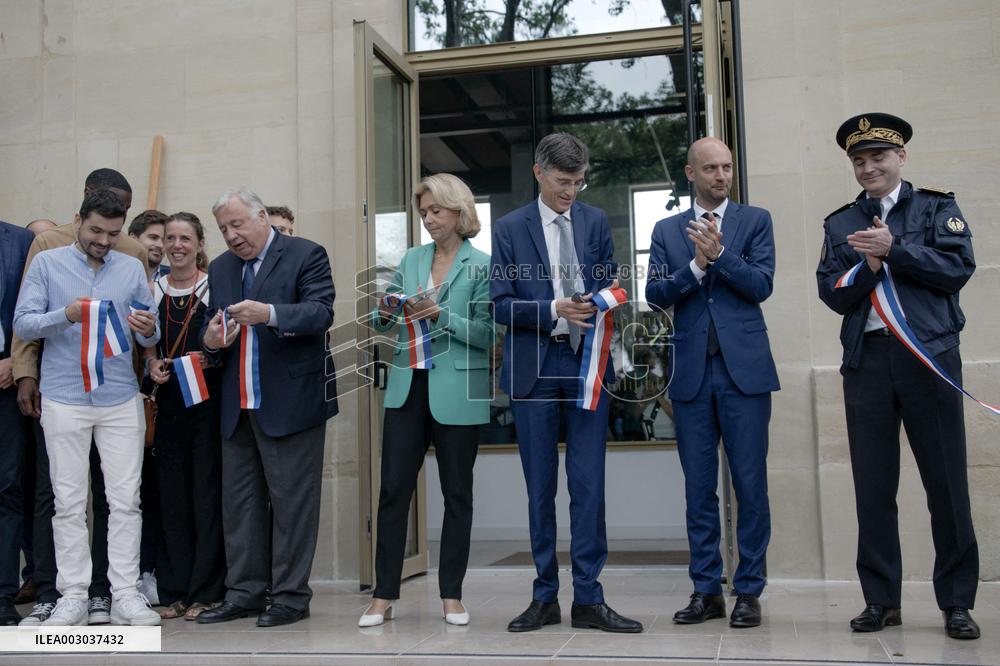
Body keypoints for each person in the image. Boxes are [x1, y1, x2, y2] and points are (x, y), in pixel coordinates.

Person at [817, 113, 980, 640]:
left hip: (927, 358)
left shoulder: (936, 206)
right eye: (859, 161)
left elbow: (956, 269)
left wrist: (895, 250)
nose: (869, 168)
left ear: (901, 157)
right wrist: (867, 267)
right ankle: (881, 600)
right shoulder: (840, 222)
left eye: (878, 158)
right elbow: (833, 293)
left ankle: (956, 602)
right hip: (868, 362)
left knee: (946, 484)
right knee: (873, 486)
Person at [491, 133, 641, 634]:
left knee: (588, 484)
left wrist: (596, 301)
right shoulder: (510, 228)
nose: (571, 191)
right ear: (539, 173)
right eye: (562, 181)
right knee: (540, 489)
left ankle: (590, 599)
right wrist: (553, 309)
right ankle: (544, 597)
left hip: (586, 365)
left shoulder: (595, 220)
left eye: (578, 182)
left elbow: (613, 281)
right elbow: (499, 304)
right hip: (534, 367)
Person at [645, 137, 779, 629]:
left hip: (745, 371)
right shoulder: (665, 229)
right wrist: (697, 266)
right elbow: (656, 293)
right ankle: (706, 590)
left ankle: (748, 590)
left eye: (726, 167)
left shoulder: (755, 220)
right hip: (692, 374)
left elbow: (762, 285)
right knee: (698, 488)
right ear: (690, 173)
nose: (721, 176)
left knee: (750, 485)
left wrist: (720, 256)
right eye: (711, 168)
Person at [13, 189, 161, 626]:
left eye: (113, 233)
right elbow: (23, 322)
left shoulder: (132, 267)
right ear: (78, 220)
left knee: (125, 501)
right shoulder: (46, 263)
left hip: (118, 397)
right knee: (68, 502)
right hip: (64, 397)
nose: (104, 240)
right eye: (96, 230)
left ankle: (124, 594)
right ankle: (73, 595)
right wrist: (67, 314)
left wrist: (148, 328)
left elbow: (148, 335)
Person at [196, 188, 337, 628]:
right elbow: (210, 325)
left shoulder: (305, 253)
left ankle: (291, 597)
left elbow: (320, 313)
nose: (231, 235)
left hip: (291, 403)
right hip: (236, 406)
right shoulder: (219, 268)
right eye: (223, 229)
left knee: (292, 506)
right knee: (240, 507)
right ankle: (245, 593)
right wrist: (209, 339)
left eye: (237, 224)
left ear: (262, 217)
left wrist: (270, 313)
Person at [359, 174, 493, 627]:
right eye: (423, 213)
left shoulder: (482, 265)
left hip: (457, 391)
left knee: (457, 494)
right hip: (406, 387)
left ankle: (452, 595)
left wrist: (441, 315)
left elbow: (489, 334)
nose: (429, 219)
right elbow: (382, 323)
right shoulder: (412, 258)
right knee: (393, 490)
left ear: (459, 211)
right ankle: (382, 596)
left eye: (436, 211)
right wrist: (385, 311)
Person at [144, 212, 225, 620]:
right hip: (168, 405)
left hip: (207, 405)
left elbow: (227, 341)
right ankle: (174, 589)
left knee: (205, 495)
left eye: (185, 238)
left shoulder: (215, 287)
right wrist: (152, 364)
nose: (176, 245)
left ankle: (207, 590)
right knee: (170, 497)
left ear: (199, 243)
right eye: (170, 238)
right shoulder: (150, 289)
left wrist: (208, 354)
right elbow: (143, 343)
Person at [0, 219, 34, 626]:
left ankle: (3, 593)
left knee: (7, 488)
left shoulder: (21, 241)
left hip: (6, 380)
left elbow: (29, 311)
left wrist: (17, 361)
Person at [128, 210, 170, 280]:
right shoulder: (114, 272)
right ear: (133, 238)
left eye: (164, 241)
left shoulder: (175, 278)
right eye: (153, 237)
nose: (160, 245)